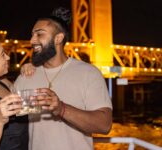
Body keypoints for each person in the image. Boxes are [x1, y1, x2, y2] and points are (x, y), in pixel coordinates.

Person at [15, 7, 113, 150]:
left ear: (58, 38)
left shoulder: (89, 73)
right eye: (32, 35)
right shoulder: (26, 76)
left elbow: (104, 125)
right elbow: (11, 115)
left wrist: (62, 109)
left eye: (39, 34)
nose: (32, 40)